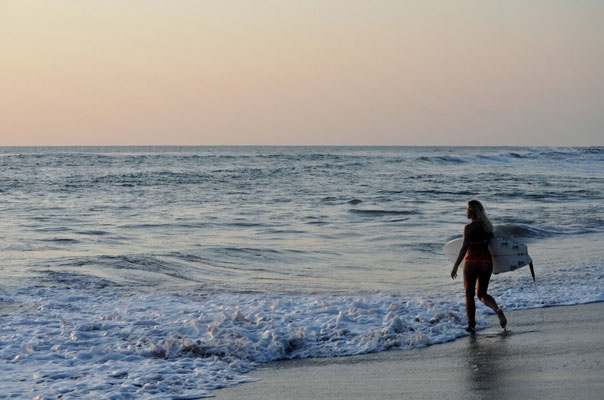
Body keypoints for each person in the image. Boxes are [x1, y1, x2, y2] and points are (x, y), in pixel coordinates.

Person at [450, 200, 507, 333]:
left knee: (469, 294)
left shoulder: (468, 228)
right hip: (486, 262)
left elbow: (464, 248)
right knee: (482, 293)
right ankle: (496, 309)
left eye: (467, 209)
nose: (466, 212)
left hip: (472, 262)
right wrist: (499, 266)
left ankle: (471, 325)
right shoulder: (488, 227)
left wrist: (455, 265)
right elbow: (495, 246)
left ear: (472, 211)